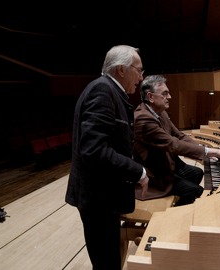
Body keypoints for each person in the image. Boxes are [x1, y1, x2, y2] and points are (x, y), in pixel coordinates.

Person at [65, 45, 149, 270]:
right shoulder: (102, 91)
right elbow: (94, 150)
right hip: (97, 199)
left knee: (108, 262)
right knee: (107, 264)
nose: (141, 78)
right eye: (139, 70)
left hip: (102, 197)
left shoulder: (110, 92)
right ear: (121, 69)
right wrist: (137, 171)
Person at [133, 75, 220, 206]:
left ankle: (182, 199)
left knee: (197, 173)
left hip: (168, 163)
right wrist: (214, 152)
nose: (170, 97)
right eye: (165, 93)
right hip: (155, 175)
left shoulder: (160, 112)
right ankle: (174, 217)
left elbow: (179, 135)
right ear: (150, 97)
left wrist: (206, 151)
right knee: (197, 191)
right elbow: (173, 144)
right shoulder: (143, 119)